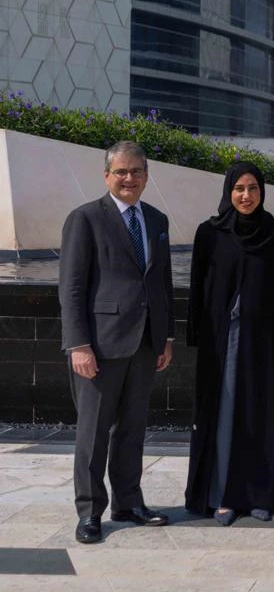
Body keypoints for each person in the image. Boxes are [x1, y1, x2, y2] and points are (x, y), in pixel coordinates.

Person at [59, 141, 175, 544]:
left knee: (132, 430)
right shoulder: (86, 218)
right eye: (122, 172)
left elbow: (161, 282)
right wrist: (78, 344)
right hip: (100, 346)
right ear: (107, 175)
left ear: (147, 175)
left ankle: (129, 502)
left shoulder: (157, 219)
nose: (130, 178)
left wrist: (166, 336)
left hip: (145, 344)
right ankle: (90, 512)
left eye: (137, 171)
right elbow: (72, 287)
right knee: (92, 433)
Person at [185, 163, 274, 525]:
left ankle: (262, 495)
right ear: (228, 192)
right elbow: (197, 288)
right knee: (225, 414)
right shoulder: (210, 233)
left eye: (253, 188)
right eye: (239, 189)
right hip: (223, 342)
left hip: (263, 342)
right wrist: (197, 338)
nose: (246, 196)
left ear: (262, 191)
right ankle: (223, 495)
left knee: (262, 416)